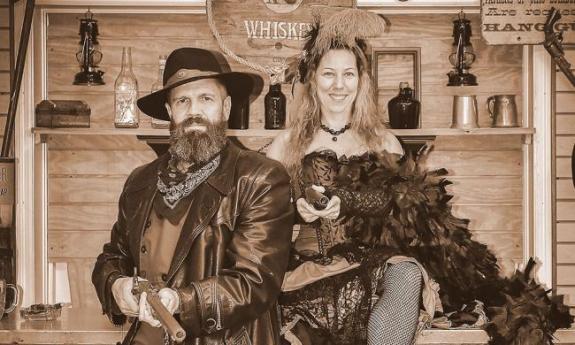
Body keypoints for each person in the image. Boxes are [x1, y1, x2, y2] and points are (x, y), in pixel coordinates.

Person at [267, 8, 573, 345]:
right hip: (310, 266)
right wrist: (297, 208)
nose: (339, 85)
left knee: (408, 274)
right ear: (312, 79)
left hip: (374, 262)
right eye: (328, 74)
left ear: (361, 80)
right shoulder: (286, 144)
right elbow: (262, 212)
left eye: (348, 74)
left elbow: (405, 207)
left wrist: (349, 200)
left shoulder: (382, 142)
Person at [92, 47, 294, 345]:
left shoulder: (261, 178)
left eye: (206, 99)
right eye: (183, 101)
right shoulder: (140, 182)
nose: (194, 111)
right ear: (169, 111)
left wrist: (180, 302)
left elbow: (255, 281)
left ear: (225, 109)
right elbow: (112, 256)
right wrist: (116, 285)